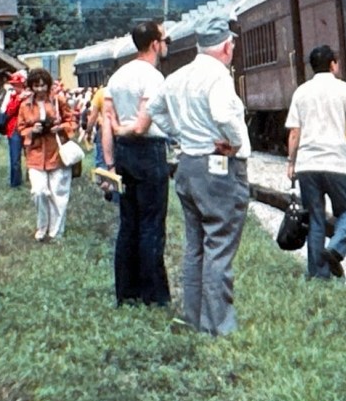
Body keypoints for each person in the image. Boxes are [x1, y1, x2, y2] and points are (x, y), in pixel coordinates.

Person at [147, 18, 249, 334]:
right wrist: (234, 142)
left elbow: (154, 109)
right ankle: (218, 325)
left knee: (195, 245)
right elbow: (221, 114)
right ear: (226, 46)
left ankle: (194, 316)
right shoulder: (218, 76)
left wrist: (178, 134)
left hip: (187, 164)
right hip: (216, 165)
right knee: (218, 242)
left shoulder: (177, 77)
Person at [99, 21, 171, 307]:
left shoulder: (117, 77)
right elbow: (142, 126)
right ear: (154, 43)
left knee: (128, 224)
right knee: (152, 224)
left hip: (124, 154)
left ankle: (126, 293)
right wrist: (125, 130)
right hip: (148, 152)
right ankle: (153, 296)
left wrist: (109, 164)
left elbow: (107, 121)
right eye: (165, 40)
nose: (166, 45)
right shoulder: (153, 78)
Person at [285, 45, 346, 279]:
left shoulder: (301, 92)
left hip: (308, 165)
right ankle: (336, 249)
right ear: (333, 64)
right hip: (335, 163)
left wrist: (291, 162)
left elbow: (294, 132)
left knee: (315, 218)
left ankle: (318, 274)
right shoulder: (343, 89)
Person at [15, 67, 79, 242]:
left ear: (48, 85)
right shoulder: (25, 105)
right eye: (36, 86)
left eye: (43, 85)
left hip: (57, 152)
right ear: (31, 87)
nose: (40, 90)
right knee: (39, 191)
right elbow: (20, 129)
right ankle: (42, 226)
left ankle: (56, 232)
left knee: (59, 193)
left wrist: (61, 127)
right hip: (35, 153)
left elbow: (72, 121)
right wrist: (32, 130)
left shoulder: (59, 100)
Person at [2, 70, 28, 188]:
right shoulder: (11, 96)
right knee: (15, 159)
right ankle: (15, 184)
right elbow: (8, 111)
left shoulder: (30, 95)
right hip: (14, 130)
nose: (14, 86)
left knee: (31, 156)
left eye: (16, 84)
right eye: (13, 84)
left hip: (28, 129)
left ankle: (32, 180)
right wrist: (18, 99)